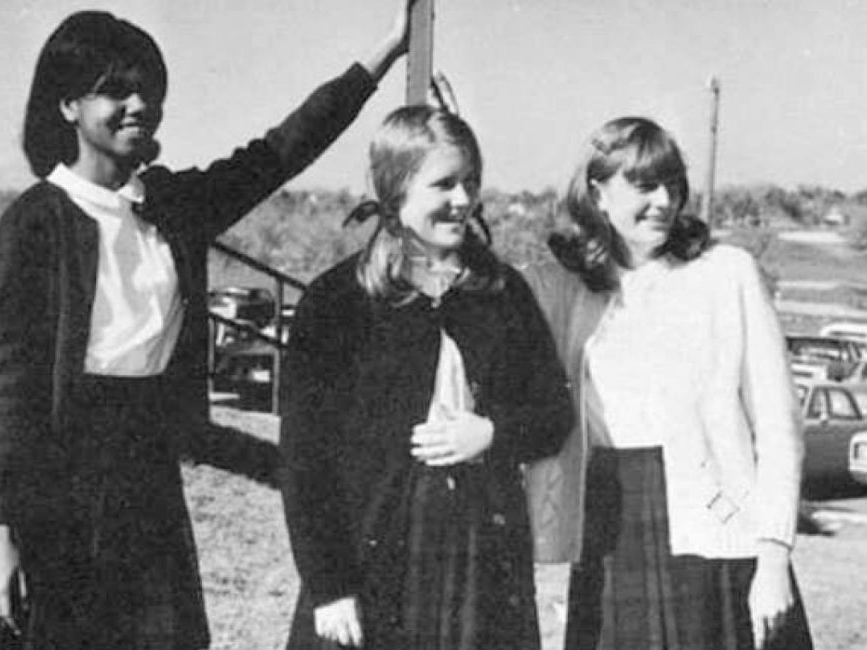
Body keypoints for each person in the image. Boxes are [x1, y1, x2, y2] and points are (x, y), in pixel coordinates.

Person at [0, 6, 411, 649]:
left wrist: (388, 52)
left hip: (148, 483)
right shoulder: (37, 221)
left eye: (148, 89)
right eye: (115, 90)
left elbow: (280, 153)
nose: (138, 105)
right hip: (61, 494)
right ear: (67, 104)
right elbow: (11, 386)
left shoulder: (171, 207)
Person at [280, 105, 574, 649]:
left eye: (472, 183)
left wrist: (491, 434)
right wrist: (329, 586)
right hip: (376, 561)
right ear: (396, 189)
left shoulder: (503, 294)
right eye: (444, 184)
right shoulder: (338, 302)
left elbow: (555, 414)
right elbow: (304, 461)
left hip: (480, 556)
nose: (463, 200)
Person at [522, 116, 813, 650]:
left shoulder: (727, 273)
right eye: (643, 185)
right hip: (609, 529)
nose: (663, 200)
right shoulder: (565, 288)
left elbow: (778, 427)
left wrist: (773, 557)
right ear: (597, 193)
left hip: (721, 539)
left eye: (673, 184)